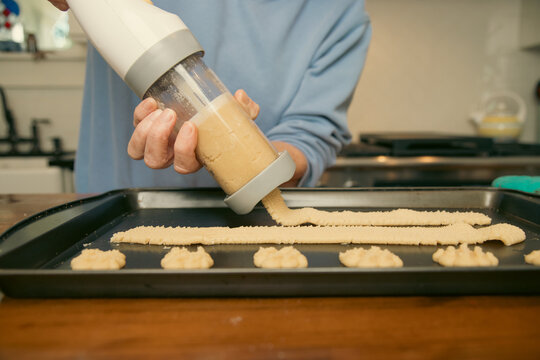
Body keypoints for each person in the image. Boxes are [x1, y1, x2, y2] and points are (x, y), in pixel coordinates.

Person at [48, 0, 371, 193]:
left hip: (250, 228)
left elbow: (310, 134)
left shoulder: (339, 13)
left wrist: (244, 155)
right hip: (110, 207)